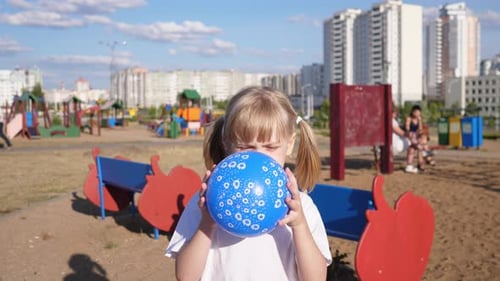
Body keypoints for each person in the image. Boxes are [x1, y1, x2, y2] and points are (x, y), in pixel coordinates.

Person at [165, 86, 332, 281]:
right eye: (245, 147)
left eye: (270, 147)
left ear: (290, 144)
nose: (257, 158)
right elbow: (185, 277)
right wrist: (207, 224)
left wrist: (300, 225)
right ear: (226, 143)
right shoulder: (205, 203)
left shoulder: (301, 208)